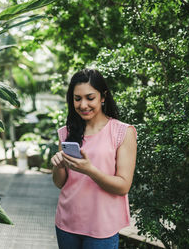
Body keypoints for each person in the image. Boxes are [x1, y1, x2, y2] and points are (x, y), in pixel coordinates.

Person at [51, 69, 137, 249]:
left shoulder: (122, 132)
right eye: (77, 98)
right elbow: (61, 183)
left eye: (90, 98)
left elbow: (123, 186)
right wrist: (58, 166)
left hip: (102, 228)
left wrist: (89, 170)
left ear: (103, 97)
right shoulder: (66, 132)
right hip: (67, 224)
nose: (83, 105)